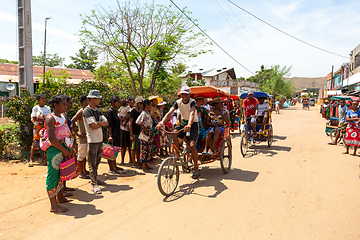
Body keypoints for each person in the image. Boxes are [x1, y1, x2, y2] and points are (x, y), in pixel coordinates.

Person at [157, 86, 200, 179]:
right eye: (182, 94)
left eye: (186, 94)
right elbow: (169, 112)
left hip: (193, 124)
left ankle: (196, 167)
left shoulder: (192, 102)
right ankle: (176, 154)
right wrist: (162, 122)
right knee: (174, 132)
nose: (184, 96)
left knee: (192, 146)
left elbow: (192, 113)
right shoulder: (178, 102)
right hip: (184, 122)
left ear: (189, 95)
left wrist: (189, 125)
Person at [44, 95, 72, 213]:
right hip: (55, 149)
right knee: (53, 175)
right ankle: (53, 205)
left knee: (61, 173)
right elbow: (52, 138)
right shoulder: (51, 118)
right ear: (56, 105)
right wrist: (64, 150)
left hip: (63, 147)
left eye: (66, 104)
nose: (66, 106)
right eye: (64, 104)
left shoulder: (63, 116)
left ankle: (60, 197)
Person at [83, 90, 108, 194]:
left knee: (96, 162)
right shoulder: (87, 111)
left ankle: (95, 179)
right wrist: (99, 123)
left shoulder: (98, 111)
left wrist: (98, 123)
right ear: (92, 99)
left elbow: (106, 123)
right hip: (92, 140)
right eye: (98, 98)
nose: (99, 100)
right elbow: (92, 126)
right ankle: (94, 184)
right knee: (92, 163)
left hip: (99, 139)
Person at [29, 94, 51, 167]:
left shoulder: (48, 108)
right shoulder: (36, 108)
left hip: (45, 127)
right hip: (38, 126)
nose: (44, 100)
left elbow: (50, 117)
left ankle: (44, 159)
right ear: (38, 100)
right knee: (35, 141)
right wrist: (43, 119)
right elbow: (34, 117)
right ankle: (31, 160)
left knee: (44, 142)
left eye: (45, 98)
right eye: (42, 98)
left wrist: (43, 120)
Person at [71, 95, 90, 179]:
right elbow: (72, 121)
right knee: (81, 155)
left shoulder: (86, 111)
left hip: (86, 136)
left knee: (84, 155)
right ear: (84, 102)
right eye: (88, 100)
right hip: (82, 136)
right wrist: (77, 134)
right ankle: (81, 173)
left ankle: (84, 170)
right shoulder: (81, 111)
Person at [106, 95, 123, 173]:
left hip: (116, 133)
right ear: (113, 102)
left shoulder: (114, 111)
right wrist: (110, 135)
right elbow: (109, 124)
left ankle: (114, 166)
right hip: (112, 134)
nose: (118, 104)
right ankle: (111, 168)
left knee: (115, 150)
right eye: (117, 102)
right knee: (110, 151)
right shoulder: (110, 112)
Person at [135, 100, 153, 172]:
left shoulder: (147, 113)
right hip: (145, 132)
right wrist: (144, 126)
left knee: (148, 148)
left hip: (149, 132)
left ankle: (146, 164)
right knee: (144, 148)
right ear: (147, 105)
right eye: (150, 105)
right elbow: (137, 121)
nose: (151, 106)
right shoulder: (143, 113)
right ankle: (144, 166)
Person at [129, 96, 144, 168]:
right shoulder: (133, 111)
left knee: (138, 148)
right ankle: (134, 163)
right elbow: (130, 123)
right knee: (133, 148)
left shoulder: (141, 112)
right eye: (140, 103)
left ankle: (138, 161)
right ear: (138, 104)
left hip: (139, 132)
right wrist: (131, 134)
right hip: (134, 132)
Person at [118, 99, 132, 166]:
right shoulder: (121, 109)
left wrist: (124, 120)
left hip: (127, 129)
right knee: (123, 146)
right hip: (122, 129)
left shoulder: (128, 109)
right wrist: (123, 119)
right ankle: (122, 160)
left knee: (129, 145)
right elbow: (119, 117)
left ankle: (131, 159)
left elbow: (128, 116)